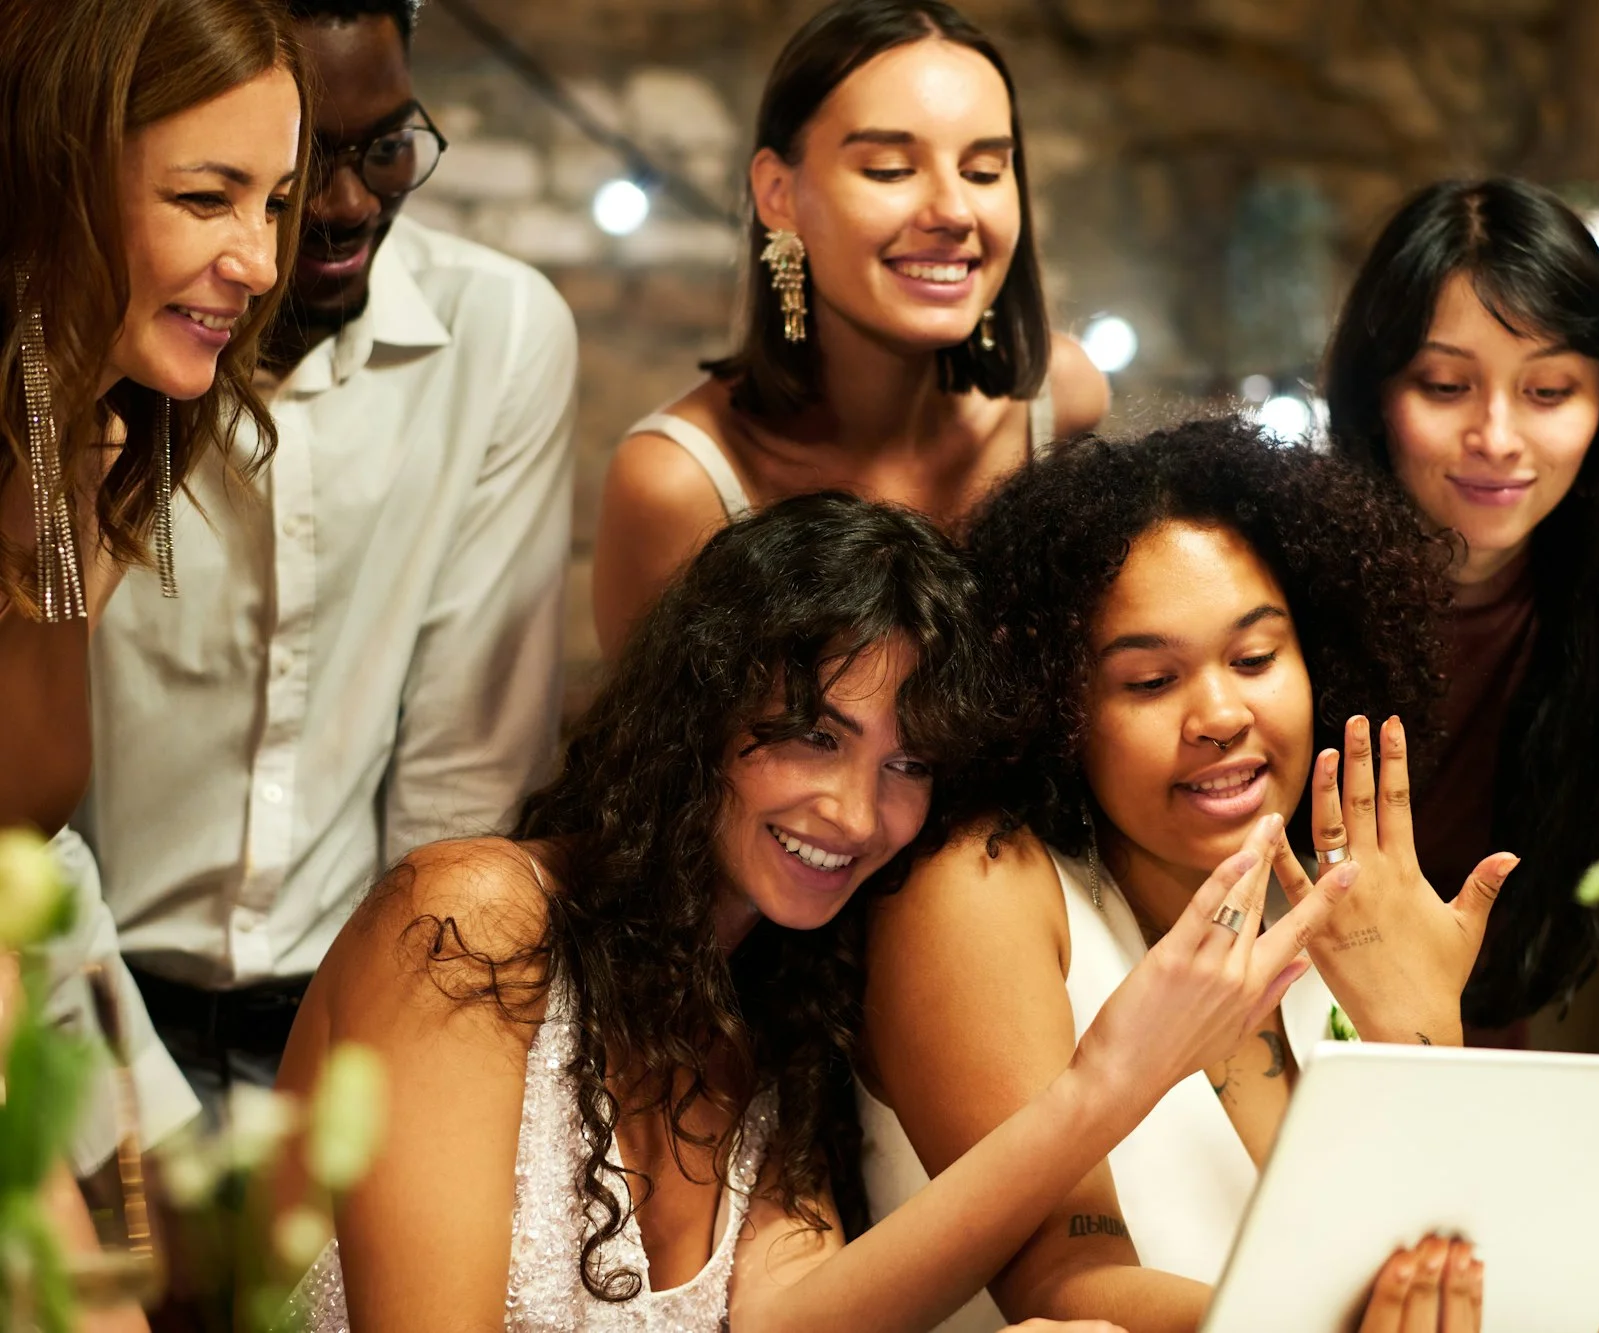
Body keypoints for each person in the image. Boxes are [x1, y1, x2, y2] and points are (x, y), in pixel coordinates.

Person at [276, 493, 1351, 1333]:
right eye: (814, 734)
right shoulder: (473, 918)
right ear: (701, 707)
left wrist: (1099, 1093)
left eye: (906, 763)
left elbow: (801, 1318)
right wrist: (1104, 1085)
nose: (853, 811)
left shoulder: (772, 1018)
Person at [862, 421, 1500, 1332]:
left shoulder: (1335, 901)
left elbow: (1446, 1275)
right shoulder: (984, 885)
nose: (1219, 715)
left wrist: (1426, 1033)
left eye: (1254, 658)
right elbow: (1062, 1284)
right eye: (1151, 681)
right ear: (1058, 701)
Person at [73, 0, 577, 1118]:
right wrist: (135, 1121)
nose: (343, 206)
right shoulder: (97, 377)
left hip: (355, 1025)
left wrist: (374, 1093)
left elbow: (460, 785)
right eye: (294, 166)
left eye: (386, 147)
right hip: (83, 1017)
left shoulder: (498, 335)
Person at [1, 0, 307, 1321]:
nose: (256, 260)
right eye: (206, 196)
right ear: (49, 180)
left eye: (274, 202)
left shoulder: (93, 449)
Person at [1318, 178, 1599, 1053]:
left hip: (1485, 1032)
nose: (1499, 436)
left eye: (1549, 391)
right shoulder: (1299, 549)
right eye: (1445, 386)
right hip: (1294, 1034)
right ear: (1378, 395)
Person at [592, 0, 1109, 658]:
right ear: (779, 193)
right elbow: (645, 759)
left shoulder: (1063, 401)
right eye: (890, 168)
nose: (953, 210)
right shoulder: (677, 483)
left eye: (984, 171)